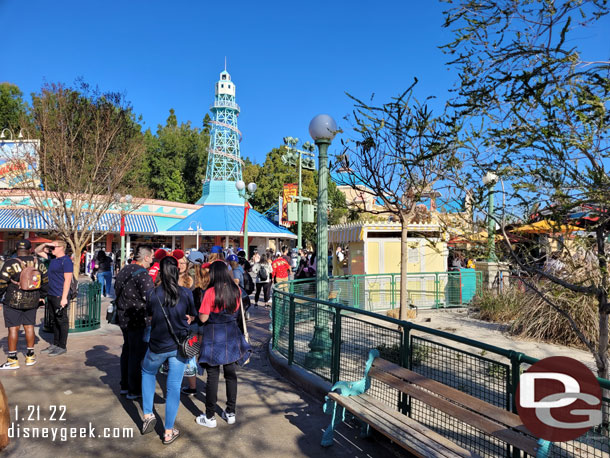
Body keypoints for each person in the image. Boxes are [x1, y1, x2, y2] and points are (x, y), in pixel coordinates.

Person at [141, 256, 196, 445]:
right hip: (179, 346)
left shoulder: (152, 293)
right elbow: (192, 315)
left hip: (157, 345)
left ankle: (148, 414)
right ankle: (168, 431)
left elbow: (148, 315)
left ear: (161, 272)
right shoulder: (186, 293)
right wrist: (187, 319)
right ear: (176, 271)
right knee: (174, 387)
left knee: (147, 371)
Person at [196, 261, 251, 428]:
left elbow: (203, 318)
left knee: (212, 376)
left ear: (214, 274)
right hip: (231, 335)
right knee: (230, 374)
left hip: (213, 336)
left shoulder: (210, 292)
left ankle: (210, 416)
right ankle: (230, 412)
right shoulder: (236, 291)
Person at [0, 240, 49, 370]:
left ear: (16, 249)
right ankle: (30, 356)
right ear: (30, 249)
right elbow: (45, 281)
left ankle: (12, 360)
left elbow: (2, 282)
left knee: (13, 329)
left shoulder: (10, 263)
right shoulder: (38, 263)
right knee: (29, 327)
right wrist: (42, 296)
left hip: (13, 300)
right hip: (33, 300)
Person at [114, 245, 154, 400]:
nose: (152, 259)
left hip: (123, 317)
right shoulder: (143, 275)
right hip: (138, 319)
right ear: (146, 257)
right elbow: (150, 298)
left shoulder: (124, 269)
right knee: (137, 355)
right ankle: (134, 389)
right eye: (151, 256)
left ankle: (125, 385)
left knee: (128, 350)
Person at [37, 240, 73, 356]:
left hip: (59, 295)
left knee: (61, 321)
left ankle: (62, 346)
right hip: (51, 294)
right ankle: (55, 344)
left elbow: (67, 280)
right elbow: (37, 251)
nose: (52, 249)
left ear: (61, 248)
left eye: (54, 247)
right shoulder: (53, 258)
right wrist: (46, 245)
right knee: (54, 320)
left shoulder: (66, 261)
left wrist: (64, 298)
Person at [181, 260, 210, 396]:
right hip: (205, 320)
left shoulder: (187, 278)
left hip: (191, 320)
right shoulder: (207, 278)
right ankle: (209, 382)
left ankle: (192, 386)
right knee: (204, 352)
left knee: (190, 353)